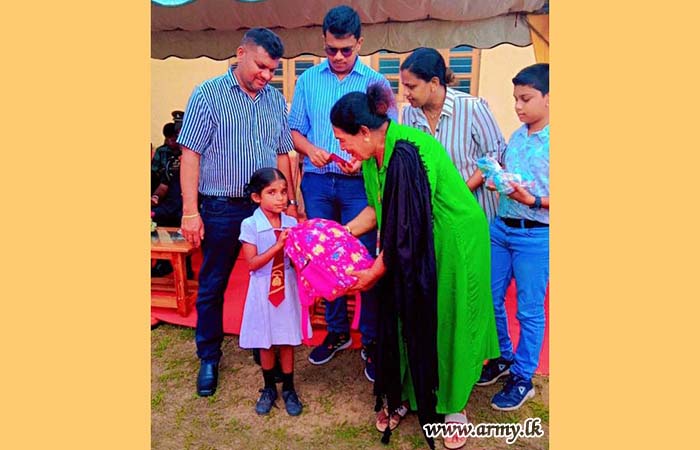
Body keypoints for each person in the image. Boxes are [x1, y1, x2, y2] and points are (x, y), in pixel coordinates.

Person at [330, 83, 499, 450]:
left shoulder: (409, 152)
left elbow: (408, 225)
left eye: (343, 139)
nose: (341, 147)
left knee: (448, 319)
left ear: (364, 131)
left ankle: (453, 406)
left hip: (452, 241)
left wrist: (375, 272)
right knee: (402, 313)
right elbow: (378, 209)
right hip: (411, 242)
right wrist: (337, 235)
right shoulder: (373, 158)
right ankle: (405, 392)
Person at [177, 27, 298, 398]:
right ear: (240, 53)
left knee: (268, 278)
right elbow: (191, 154)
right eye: (261, 66)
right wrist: (190, 211)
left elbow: (283, 154)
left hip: (265, 208)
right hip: (221, 208)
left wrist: (290, 203)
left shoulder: (274, 101)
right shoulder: (207, 95)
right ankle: (209, 355)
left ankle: (262, 344)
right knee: (213, 283)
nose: (266, 75)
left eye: (272, 70)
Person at [288, 4, 395, 380]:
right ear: (323, 41)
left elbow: (386, 137)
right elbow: (294, 130)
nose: (337, 56)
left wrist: (362, 162)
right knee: (323, 257)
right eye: (331, 49)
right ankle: (335, 331)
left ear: (360, 43)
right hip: (318, 181)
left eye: (346, 50)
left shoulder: (376, 84)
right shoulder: (307, 80)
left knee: (362, 258)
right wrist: (310, 149)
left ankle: (370, 338)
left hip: (359, 186)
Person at [475, 63, 550, 412]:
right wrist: (498, 179)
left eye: (526, 99)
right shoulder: (517, 135)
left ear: (549, 98)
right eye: (515, 99)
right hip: (501, 228)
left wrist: (532, 200)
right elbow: (510, 176)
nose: (518, 106)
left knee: (529, 310)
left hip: (535, 235)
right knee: (489, 298)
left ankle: (523, 376)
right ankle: (503, 356)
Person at [399, 47, 505, 221]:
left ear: (434, 83)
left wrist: (460, 192)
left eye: (411, 86)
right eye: (404, 86)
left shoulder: (472, 107)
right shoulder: (409, 114)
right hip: (435, 215)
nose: (405, 93)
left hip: (474, 209)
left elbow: (495, 155)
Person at [238, 168, 305, 416]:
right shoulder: (250, 225)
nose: (280, 198)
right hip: (262, 287)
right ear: (257, 197)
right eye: (272, 192)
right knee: (265, 340)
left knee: (287, 339)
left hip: (287, 285)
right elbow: (252, 263)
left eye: (284, 192)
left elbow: (295, 259)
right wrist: (278, 246)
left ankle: (289, 388)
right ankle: (268, 387)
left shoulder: (291, 223)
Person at [151, 122, 180, 194]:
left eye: (173, 140)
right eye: (167, 140)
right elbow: (154, 170)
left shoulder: (185, 152)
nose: (170, 143)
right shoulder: (161, 151)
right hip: (162, 185)